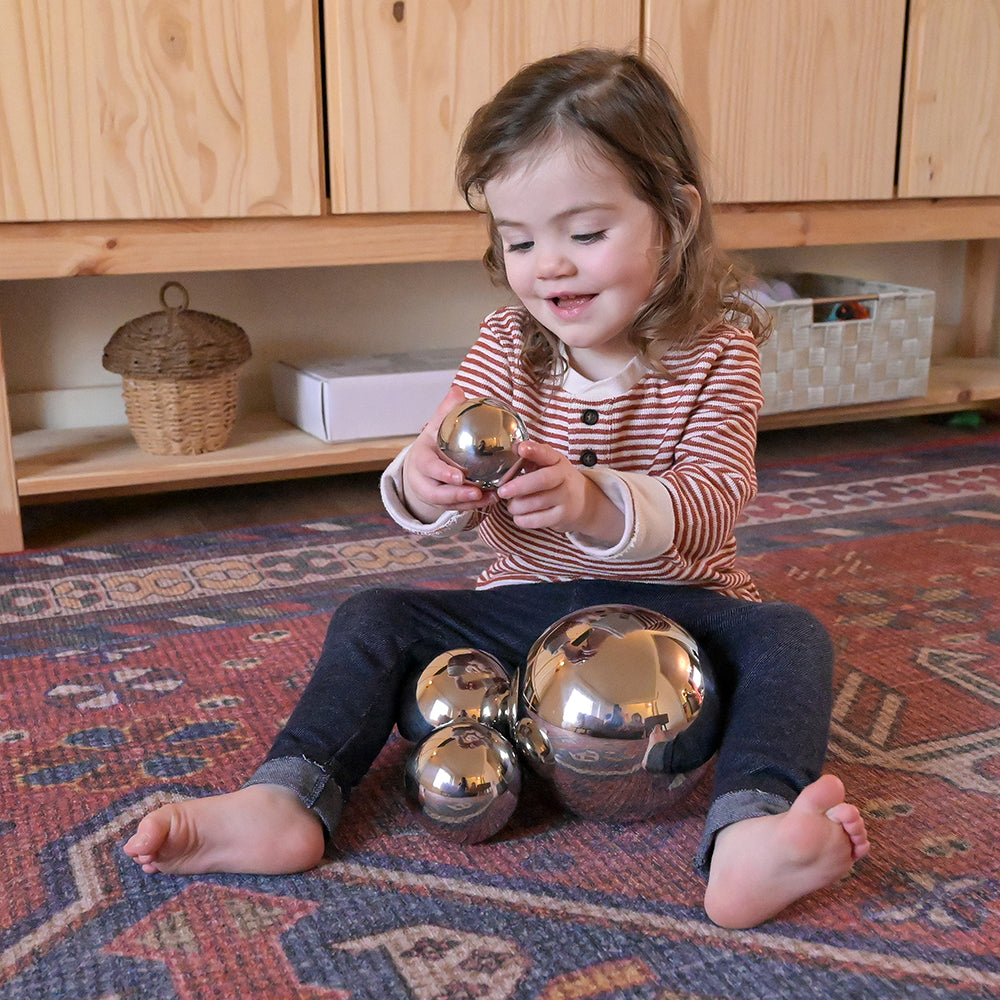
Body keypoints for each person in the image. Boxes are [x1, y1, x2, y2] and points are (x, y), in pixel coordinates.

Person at [123, 48, 869, 929]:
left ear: (674, 215)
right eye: (519, 241)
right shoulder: (505, 344)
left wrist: (599, 505)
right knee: (373, 615)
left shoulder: (720, 348)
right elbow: (428, 460)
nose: (549, 266)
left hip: (680, 618)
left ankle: (750, 835)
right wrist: (425, 479)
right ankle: (286, 800)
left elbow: (716, 496)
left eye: (585, 235)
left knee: (792, 637)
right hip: (525, 609)